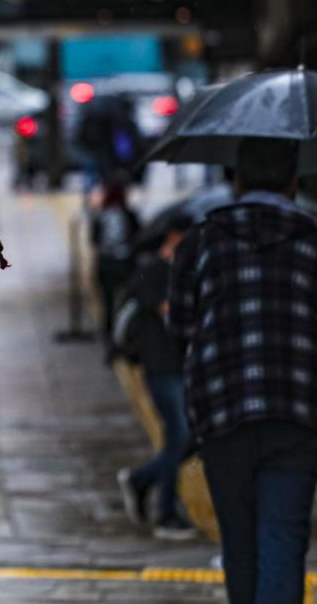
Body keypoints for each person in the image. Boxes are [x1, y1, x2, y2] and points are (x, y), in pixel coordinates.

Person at [168, 137, 317, 604]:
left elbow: (178, 327)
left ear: (237, 181)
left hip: (221, 413)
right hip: (295, 413)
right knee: (283, 540)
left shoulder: (200, 241)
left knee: (239, 547)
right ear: (294, 183)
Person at [117, 213, 196, 540]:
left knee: (188, 438)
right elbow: (173, 314)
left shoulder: (185, 273)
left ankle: (142, 480)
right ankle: (165, 513)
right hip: (161, 368)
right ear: (175, 237)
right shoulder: (155, 272)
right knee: (179, 436)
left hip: (182, 367)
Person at [92, 174, 140, 362]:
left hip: (105, 266)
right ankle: (125, 343)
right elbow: (138, 238)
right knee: (126, 305)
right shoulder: (130, 215)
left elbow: (94, 240)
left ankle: (110, 346)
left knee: (107, 306)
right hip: (125, 265)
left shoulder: (100, 216)